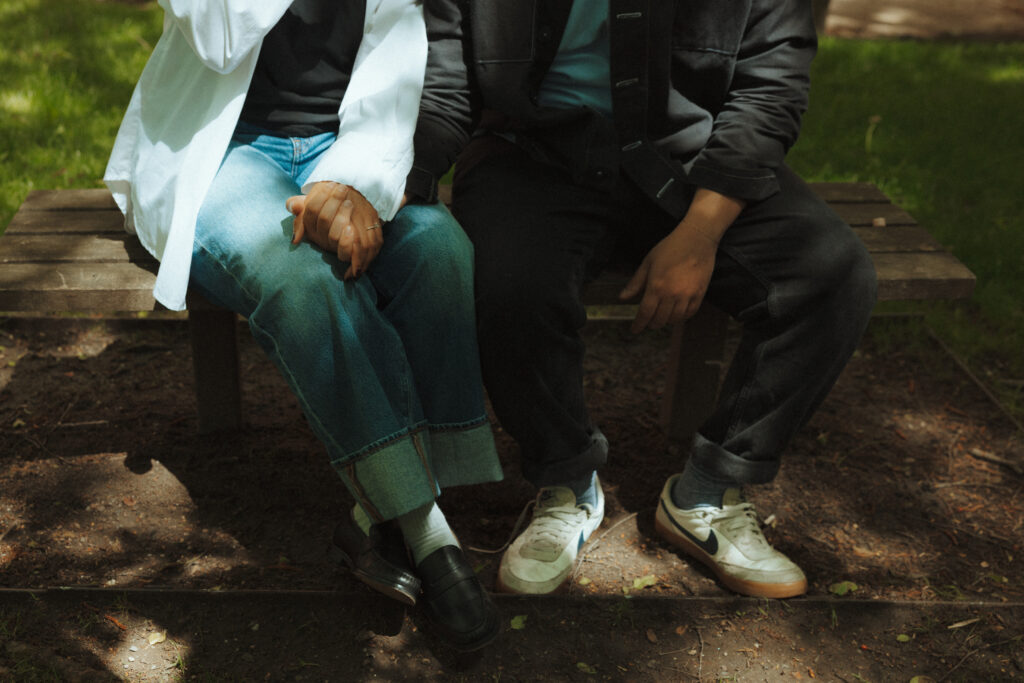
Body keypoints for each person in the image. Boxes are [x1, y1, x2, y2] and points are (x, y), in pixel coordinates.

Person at [105, 0, 501, 651]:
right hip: (223, 152)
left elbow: (394, 68)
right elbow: (218, 33)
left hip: (341, 144)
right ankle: (426, 529)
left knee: (439, 251)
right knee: (299, 276)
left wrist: (350, 184)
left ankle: (376, 513)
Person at [450, 0, 878, 598]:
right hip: (534, 152)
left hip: (690, 158)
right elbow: (436, 68)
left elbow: (771, 87)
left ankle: (707, 492)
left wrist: (701, 232)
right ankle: (568, 483)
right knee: (510, 283)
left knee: (833, 276)